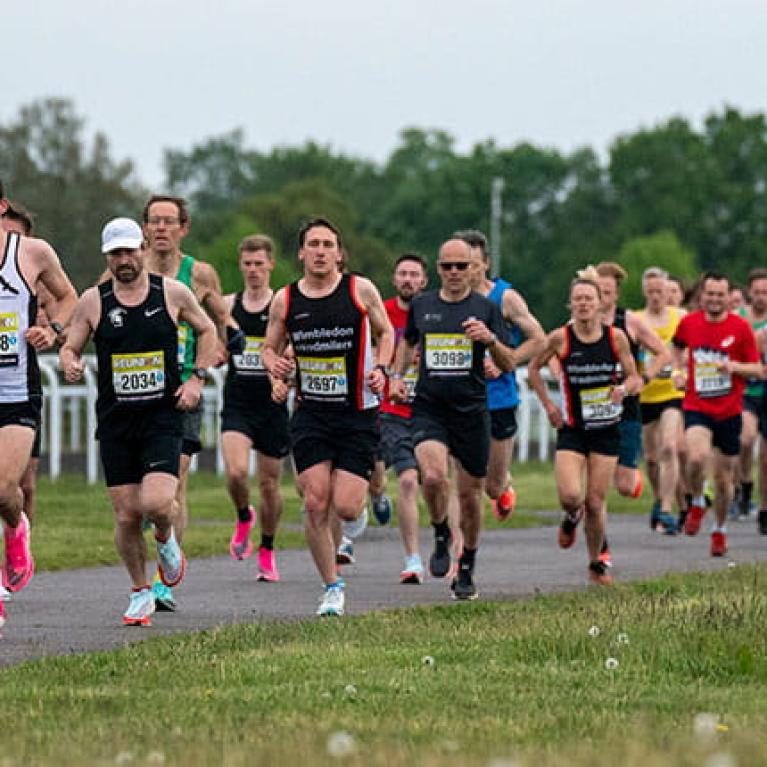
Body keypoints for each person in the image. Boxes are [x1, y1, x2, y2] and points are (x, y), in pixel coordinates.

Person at [60, 218, 216, 625]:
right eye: (116, 254)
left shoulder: (173, 293)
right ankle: (139, 591)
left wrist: (197, 378)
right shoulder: (94, 301)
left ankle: (166, 539)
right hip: (116, 422)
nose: (124, 260)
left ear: (143, 249)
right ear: (107, 257)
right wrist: (70, 363)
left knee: (158, 503)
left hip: (162, 417)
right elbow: (70, 346)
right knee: (127, 515)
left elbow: (207, 329)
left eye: (130, 251)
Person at [263, 217, 393, 617]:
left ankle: (359, 512)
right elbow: (269, 348)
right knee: (316, 502)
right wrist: (276, 372)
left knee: (348, 507)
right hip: (311, 414)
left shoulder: (359, 290)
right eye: (313, 244)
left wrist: (382, 369)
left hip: (357, 414)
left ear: (339, 253)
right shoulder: (285, 300)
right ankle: (332, 586)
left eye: (328, 244)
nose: (321, 251)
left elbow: (386, 333)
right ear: (301, 252)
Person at [389, 239, 515, 601]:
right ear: (438, 269)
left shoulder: (486, 308)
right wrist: (397, 377)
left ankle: (468, 562)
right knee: (431, 475)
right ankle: (441, 529)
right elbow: (408, 344)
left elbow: (507, 363)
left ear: (474, 269)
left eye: (462, 266)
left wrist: (489, 340)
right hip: (430, 406)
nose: (455, 273)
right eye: (448, 266)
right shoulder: (423, 305)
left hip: (472, 411)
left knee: (471, 495)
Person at [140, 194, 243, 610]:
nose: (161, 228)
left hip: (183, 390)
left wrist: (217, 352)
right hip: (135, 392)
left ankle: (163, 579)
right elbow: (93, 311)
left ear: (184, 228)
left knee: (174, 482)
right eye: (154, 221)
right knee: (137, 494)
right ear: (145, 227)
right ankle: (161, 545)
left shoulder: (198, 273)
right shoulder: (127, 266)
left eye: (169, 221)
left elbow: (223, 322)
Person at [528, 268, 642, 585]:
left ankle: (596, 564)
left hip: (606, 428)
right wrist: (549, 406)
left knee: (595, 502)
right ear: (571, 304)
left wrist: (624, 389)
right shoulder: (560, 338)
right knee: (570, 495)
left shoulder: (615, 337)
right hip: (573, 428)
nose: (583, 304)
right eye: (577, 299)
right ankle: (569, 516)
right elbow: (535, 369)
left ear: (599, 303)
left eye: (589, 298)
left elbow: (635, 377)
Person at [0, 180, 77, 628]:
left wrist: (52, 330)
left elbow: (67, 297)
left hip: (15, 391)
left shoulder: (31, 253)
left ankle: (15, 527)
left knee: (4, 488)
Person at [457, 229, 546, 519]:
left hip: (498, 396)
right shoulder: (448, 299)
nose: (463, 270)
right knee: (461, 481)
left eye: (470, 263)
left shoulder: (505, 298)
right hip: (460, 398)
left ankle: (504, 484)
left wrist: (506, 360)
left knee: (492, 487)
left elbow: (539, 339)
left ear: (485, 265)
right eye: (458, 264)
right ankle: (456, 547)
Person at [671, 272, 762, 556]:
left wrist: (733, 367)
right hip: (697, 405)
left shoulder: (740, 328)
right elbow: (676, 347)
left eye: (720, 295)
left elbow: (757, 369)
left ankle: (719, 529)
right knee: (695, 457)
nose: (714, 299)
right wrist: (678, 371)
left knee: (724, 481)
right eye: (710, 294)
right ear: (702, 296)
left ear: (728, 298)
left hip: (729, 410)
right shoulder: (689, 323)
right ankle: (697, 500)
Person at [221, 235, 290, 581]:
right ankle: (243, 515)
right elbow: (216, 345)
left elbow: (293, 348)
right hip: (237, 403)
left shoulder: (282, 304)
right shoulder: (227, 305)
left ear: (271, 265)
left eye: (259, 264)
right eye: (247, 264)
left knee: (269, 484)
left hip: (272, 406)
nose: (253, 270)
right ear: (241, 266)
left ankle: (267, 548)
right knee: (235, 472)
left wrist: (284, 375)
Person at [376, 253, 429, 582]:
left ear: (423, 281)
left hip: (431, 411)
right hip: (393, 410)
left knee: (438, 483)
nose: (408, 279)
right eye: (403, 274)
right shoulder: (381, 312)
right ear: (395, 279)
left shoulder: (436, 313)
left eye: (414, 275)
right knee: (407, 481)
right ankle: (413, 560)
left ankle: (449, 545)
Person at [635, 267, 686, 533]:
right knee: (652, 459)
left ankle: (667, 508)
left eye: (660, 291)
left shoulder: (681, 318)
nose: (656, 296)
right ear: (645, 291)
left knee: (670, 446)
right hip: (646, 396)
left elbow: (690, 352)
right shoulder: (637, 319)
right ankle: (659, 497)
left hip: (672, 394)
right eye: (651, 291)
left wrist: (684, 372)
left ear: (668, 291)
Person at [733, 268, 767, 519]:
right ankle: (744, 484)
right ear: (749, 293)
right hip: (745, 390)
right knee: (745, 439)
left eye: (766, 292)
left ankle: (763, 506)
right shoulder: (738, 319)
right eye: (757, 292)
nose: (761, 297)